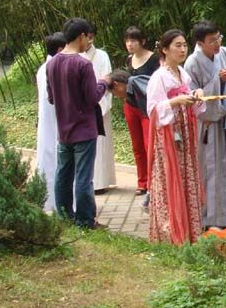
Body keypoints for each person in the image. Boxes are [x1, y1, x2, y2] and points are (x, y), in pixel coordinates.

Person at [184, 20, 226, 229]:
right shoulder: (192, 63)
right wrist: (217, 80)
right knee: (212, 168)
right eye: (211, 41)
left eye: (218, 38)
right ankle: (212, 217)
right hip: (209, 124)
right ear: (200, 43)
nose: (216, 44)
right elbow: (192, 95)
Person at [46, 18, 112, 228]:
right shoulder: (83, 64)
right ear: (82, 36)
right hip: (84, 129)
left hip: (63, 130)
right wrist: (104, 82)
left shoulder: (52, 63)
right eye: (87, 37)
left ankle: (65, 216)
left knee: (63, 175)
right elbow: (92, 97)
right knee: (84, 178)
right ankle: (85, 220)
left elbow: (51, 98)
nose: (88, 41)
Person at [146, 29, 205, 245]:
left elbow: (189, 99)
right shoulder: (159, 77)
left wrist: (196, 96)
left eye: (184, 45)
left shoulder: (182, 73)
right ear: (164, 49)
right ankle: (170, 233)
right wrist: (176, 101)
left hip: (185, 133)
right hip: (170, 136)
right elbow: (153, 110)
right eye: (177, 45)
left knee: (186, 176)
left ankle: (190, 231)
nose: (182, 49)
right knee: (170, 179)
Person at [80, 22, 116, 193]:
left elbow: (107, 78)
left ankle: (101, 181)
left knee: (101, 144)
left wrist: (100, 103)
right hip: (82, 107)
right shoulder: (74, 56)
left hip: (100, 103)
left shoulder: (102, 56)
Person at [123, 26, 158, 195]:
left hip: (146, 106)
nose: (130, 44)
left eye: (133, 40)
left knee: (148, 144)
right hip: (130, 105)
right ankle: (142, 181)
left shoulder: (154, 59)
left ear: (142, 41)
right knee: (137, 146)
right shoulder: (129, 59)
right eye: (127, 40)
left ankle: (153, 181)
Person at [36, 32, 65, 213]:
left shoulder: (46, 67)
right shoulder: (52, 68)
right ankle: (55, 203)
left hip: (53, 122)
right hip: (56, 122)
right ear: (60, 49)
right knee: (53, 160)